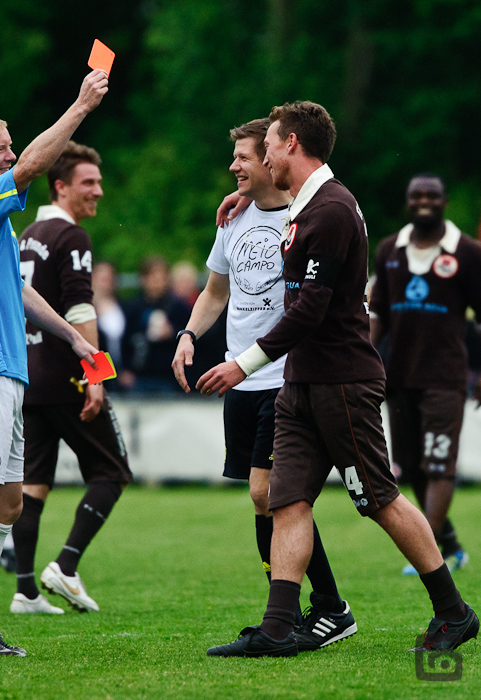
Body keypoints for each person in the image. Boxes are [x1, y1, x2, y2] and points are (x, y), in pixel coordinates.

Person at [199, 101, 478, 658]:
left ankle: (454, 611)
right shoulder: (306, 204)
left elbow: (311, 309)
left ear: (292, 144)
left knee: (378, 499)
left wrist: (241, 363)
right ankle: (278, 627)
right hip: (301, 383)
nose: (263, 157)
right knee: (286, 500)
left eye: (268, 147)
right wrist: (246, 198)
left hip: (342, 383)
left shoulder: (331, 209)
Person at [0, 68, 108, 657]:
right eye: (0, 149)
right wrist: (80, 106)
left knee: (9, 504)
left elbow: (20, 289)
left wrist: (75, 340)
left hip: (5, 374)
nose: (11, 155)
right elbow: (34, 165)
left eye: (11, 145)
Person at [172, 118, 355, 651]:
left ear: (273, 158)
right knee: (264, 500)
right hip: (241, 380)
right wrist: (188, 335)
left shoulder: (309, 213)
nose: (234, 166)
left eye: (244, 157)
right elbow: (215, 291)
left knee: (271, 493)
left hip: (283, 376)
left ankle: (323, 608)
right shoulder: (233, 218)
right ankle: (296, 615)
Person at [11, 141, 132, 615]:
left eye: (98, 182)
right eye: (88, 183)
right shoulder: (72, 236)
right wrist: (96, 375)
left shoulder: (27, 234)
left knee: (33, 482)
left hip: (29, 374)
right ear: (60, 186)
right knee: (113, 471)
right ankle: (66, 565)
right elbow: (81, 308)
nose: (98, 191)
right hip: (66, 376)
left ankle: (25, 591)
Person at [370, 174, 481, 575]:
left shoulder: (467, 252)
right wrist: (365, 359)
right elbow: (377, 313)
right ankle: (449, 545)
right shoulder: (389, 249)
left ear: (444, 200)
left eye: (431, 195)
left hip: (445, 377)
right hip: (398, 376)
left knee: (439, 464)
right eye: (416, 195)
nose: (424, 201)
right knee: (412, 467)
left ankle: (428, 556)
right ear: (407, 201)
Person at [120, 256, 191, 393]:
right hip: (140, 375)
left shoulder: (178, 308)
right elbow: (126, 340)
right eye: (152, 277)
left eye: (160, 277)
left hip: (170, 376)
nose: (156, 282)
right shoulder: (133, 308)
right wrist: (126, 369)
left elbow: (193, 339)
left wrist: (173, 333)